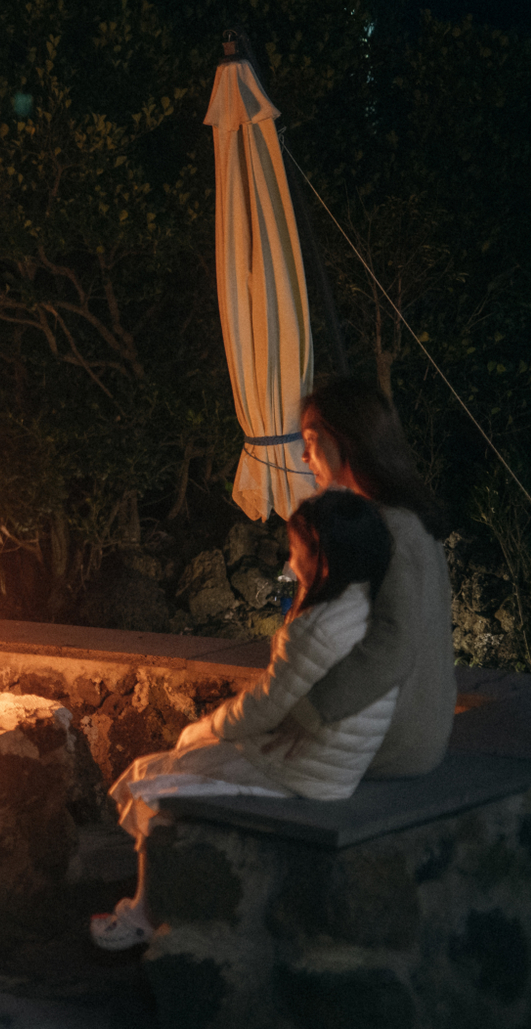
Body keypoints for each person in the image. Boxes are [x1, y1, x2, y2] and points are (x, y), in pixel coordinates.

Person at [89, 489, 397, 950]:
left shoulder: (318, 627)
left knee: (152, 780)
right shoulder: (366, 605)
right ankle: (148, 898)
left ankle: (142, 918)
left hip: (302, 769)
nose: (290, 563)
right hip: (332, 759)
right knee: (162, 771)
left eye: (297, 551)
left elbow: (265, 706)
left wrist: (205, 728)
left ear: (323, 558)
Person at [285, 377, 456, 778]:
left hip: (385, 743)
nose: (304, 457)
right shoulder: (389, 523)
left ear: (346, 439)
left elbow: (392, 644)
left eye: (311, 440)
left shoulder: (392, 530)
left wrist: (306, 713)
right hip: (396, 737)